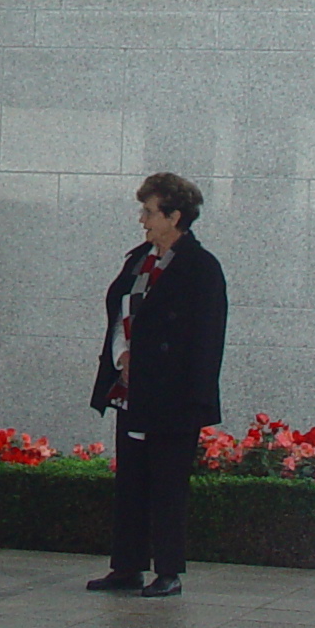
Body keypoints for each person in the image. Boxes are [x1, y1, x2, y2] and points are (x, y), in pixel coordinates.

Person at [85, 171, 227, 599]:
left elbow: (207, 338)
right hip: (133, 391)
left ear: (175, 216)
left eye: (149, 212)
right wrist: (120, 357)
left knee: (167, 484)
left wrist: (195, 398)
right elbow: (119, 315)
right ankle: (126, 566)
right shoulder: (139, 260)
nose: (142, 220)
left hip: (173, 397)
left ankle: (168, 570)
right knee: (131, 479)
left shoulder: (201, 268)